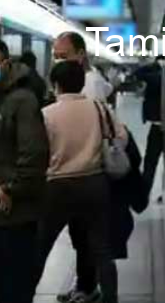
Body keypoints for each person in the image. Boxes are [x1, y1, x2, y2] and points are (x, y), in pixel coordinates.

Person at [36, 61, 127, 303]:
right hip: (94, 182)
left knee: (40, 245)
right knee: (101, 249)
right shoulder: (99, 108)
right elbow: (121, 137)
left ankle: (24, 294)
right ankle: (110, 298)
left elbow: (39, 151)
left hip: (57, 185)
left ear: (56, 85)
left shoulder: (47, 114)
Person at [0, 38, 49, 303]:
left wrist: (11, 188)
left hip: (16, 212)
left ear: (6, 64)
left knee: (14, 284)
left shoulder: (22, 100)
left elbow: (34, 154)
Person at [132, 56, 165, 203]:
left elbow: (138, 73)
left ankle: (144, 193)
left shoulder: (155, 78)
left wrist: (155, 66)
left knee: (151, 162)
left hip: (157, 127)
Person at [53, 32, 113, 102]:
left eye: (64, 56)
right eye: (56, 57)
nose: (59, 62)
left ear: (80, 54)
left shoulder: (91, 84)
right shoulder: (69, 80)